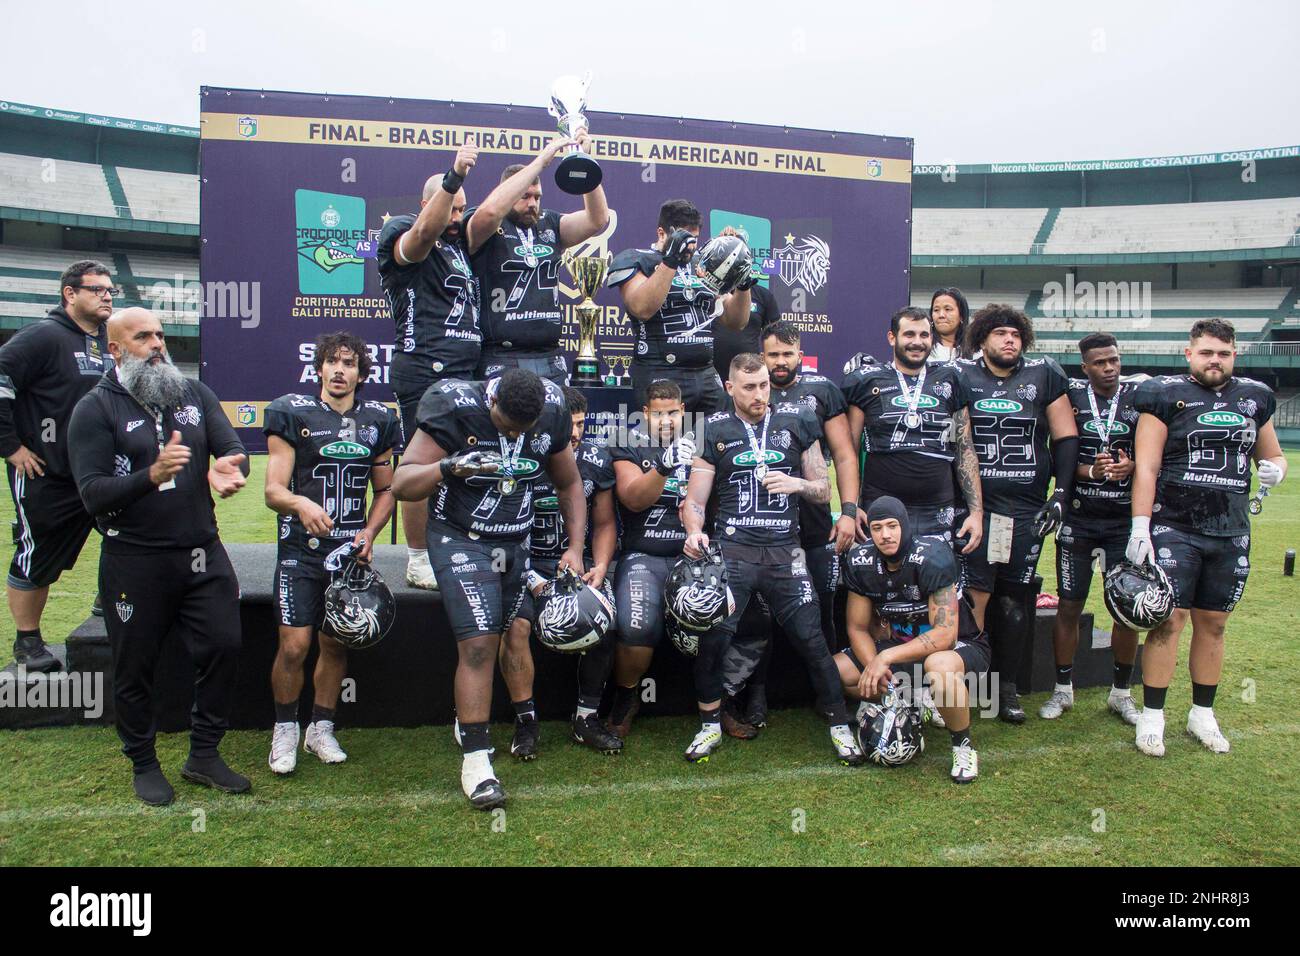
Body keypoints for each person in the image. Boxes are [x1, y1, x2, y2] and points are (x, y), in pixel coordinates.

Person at [68, 308, 250, 806]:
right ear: (115, 349)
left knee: (223, 645)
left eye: (161, 335)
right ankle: (144, 762)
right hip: (135, 559)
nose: (156, 345)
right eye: (142, 336)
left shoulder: (194, 394)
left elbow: (233, 448)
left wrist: (227, 468)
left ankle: (204, 754)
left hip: (201, 553)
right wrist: (149, 475)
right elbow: (93, 494)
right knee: (135, 666)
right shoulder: (95, 409)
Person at [392, 368, 583, 810]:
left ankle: (476, 722)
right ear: (492, 404)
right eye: (508, 426)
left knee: (506, 634)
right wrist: (447, 466)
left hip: (515, 539)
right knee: (478, 645)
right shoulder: (456, 405)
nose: (516, 434)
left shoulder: (552, 410)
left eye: (524, 430)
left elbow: (569, 482)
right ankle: (477, 763)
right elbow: (402, 484)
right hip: (460, 537)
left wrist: (574, 547)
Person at [680, 353, 861, 765]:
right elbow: (695, 500)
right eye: (749, 387)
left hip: (786, 551)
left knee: (813, 641)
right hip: (733, 551)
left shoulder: (796, 421)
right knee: (713, 642)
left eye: (763, 385)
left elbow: (822, 489)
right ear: (730, 388)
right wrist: (694, 530)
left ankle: (839, 727)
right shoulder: (712, 429)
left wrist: (796, 482)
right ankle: (709, 725)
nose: (760, 394)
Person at [1127, 318, 1284, 756]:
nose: (1215, 360)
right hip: (1175, 524)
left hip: (1231, 529)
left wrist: (1278, 469)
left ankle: (1202, 713)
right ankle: (1153, 715)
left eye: (1224, 353)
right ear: (1189, 353)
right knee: (1169, 620)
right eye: (1207, 352)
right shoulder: (1164, 395)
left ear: (1236, 355)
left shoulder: (1253, 398)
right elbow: (1147, 467)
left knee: (1213, 624)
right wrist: (1141, 525)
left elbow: (1270, 455)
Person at [262, 332, 399, 774]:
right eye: (332, 362)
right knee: (294, 645)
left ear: (362, 372)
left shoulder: (378, 420)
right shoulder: (290, 412)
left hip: (347, 555)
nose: (340, 370)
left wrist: (370, 532)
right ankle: (284, 728)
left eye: (349, 363)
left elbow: (386, 490)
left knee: (335, 642)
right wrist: (301, 503)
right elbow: (272, 490)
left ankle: (320, 727)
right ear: (318, 368)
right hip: (300, 551)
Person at [720, 320, 861, 731]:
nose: (780, 363)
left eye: (787, 354)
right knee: (760, 617)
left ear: (800, 353)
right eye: (772, 355)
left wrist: (848, 511)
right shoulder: (744, 394)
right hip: (759, 533)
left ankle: (827, 695)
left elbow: (844, 455)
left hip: (813, 528)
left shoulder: (821, 392)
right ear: (760, 358)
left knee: (817, 613)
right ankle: (758, 696)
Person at [955, 304, 1078, 723]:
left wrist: (1060, 493)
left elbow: (1065, 437)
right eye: (1000, 333)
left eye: (1015, 334)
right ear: (982, 338)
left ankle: (1006, 688)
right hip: (977, 508)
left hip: (1025, 509)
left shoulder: (1043, 373)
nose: (1009, 340)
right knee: (975, 598)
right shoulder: (962, 374)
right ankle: (973, 683)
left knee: (1013, 602)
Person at [0, 260, 114, 671]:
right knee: (37, 555)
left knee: (128, 534)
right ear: (70, 294)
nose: (106, 296)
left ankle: (109, 599)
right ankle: (27, 642)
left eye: (110, 291)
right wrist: (10, 446)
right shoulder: (42, 337)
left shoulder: (105, 341)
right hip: (47, 475)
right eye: (97, 289)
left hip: (100, 473)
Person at [377, 147, 481, 591]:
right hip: (424, 370)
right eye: (449, 205)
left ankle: (453, 547)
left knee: (459, 468)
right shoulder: (403, 228)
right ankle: (418, 557)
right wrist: (454, 175)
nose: (456, 215)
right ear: (429, 201)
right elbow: (421, 235)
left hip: (465, 374)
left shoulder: (461, 246)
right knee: (421, 467)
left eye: (461, 208)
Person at [834, 497, 990, 783]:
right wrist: (873, 666)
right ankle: (910, 700)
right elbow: (856, 628)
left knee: (939, 668)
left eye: (892, 526)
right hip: (901, 648)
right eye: (877, 528)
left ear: (904, 526)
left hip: (958, 646)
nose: (885, 535)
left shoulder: (933, 557)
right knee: (838, 672)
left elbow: (945, 634)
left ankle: (962, 746)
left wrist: (885, 658)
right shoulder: (860, 561)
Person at [503, 386, 621, 757]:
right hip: (526, 565)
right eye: (568, 425)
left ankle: (586, 718)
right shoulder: (523, 455)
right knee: (516, 626)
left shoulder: (596, 458)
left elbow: (603, 524)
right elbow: (502, 532)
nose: (574, 433)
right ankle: (526, 722)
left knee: (605, 619)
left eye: (581, 424)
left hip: (578, 566)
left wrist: (600, 565)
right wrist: (532, 579)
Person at [1041, 333, 1141, 724]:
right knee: (1068, 606)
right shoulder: (1071, 398)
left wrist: (1130, 467)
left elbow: (1151, 454)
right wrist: (1091, 470)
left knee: (1127, 610)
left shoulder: (1138, 396)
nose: (1110, 368)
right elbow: (1059, 456)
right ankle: (1062, 690)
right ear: (1085, 367)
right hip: (1079, 518)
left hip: (1122, 521)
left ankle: (1121, 693)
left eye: (1114, 360)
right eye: (1100, 362)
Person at [465, 137, 610, 386]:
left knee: (554, 424)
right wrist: (541, 162)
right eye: (524, 196)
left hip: (549, 356)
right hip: (502, 356)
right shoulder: (487, 226)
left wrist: (586, 164)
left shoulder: (550, 224)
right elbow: (490, 212)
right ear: (509, 193)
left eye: (537, 197)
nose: (532, 203)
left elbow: (597, 219)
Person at [842, 308, 983, 547]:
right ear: (892, 337)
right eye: (909, 334)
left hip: (937, 507)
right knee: (879, 579)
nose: (917, 342)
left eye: (924, 335)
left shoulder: (951, 377)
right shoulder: (865, 380)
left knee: (935, 577)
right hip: (880, 504)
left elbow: (964, 449)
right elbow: (850, 452)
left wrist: (976, 512)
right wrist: (852, 507)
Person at [606, 378, 695, 738]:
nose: (667, 421)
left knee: (724, 619)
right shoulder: (626, 441)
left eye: (673, 413)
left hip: (690, 553)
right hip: (644, 554)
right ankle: (627, 696)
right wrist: (662, 467)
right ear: (645, 414)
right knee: (637, 627)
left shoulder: (700, 443)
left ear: (683, 412)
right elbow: (633, 498)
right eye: (658, 415)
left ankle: (723, 700)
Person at [608, 200, 754, 413]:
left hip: (706, 376)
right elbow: (641, 308)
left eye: (693, 240)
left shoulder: (703, 262)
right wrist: (671, 260)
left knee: (714, 442)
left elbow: (736, 321)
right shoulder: (638, 259)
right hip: (659, 372)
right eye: (683, 239)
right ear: (661, 233)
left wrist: (742, 281)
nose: (690, 247)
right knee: (664, 443)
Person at [929, 288, 971, 364]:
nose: (941, 315)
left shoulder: (975, 349)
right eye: (936, 310)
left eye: (948, 309)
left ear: (961, 315)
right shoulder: (924, 346)